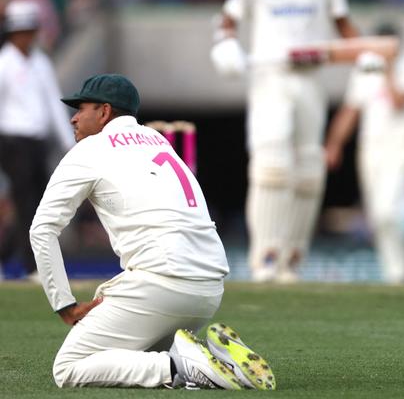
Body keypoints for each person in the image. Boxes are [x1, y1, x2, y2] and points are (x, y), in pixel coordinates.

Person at [29, 74, 275, 389]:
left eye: (82, 108)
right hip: (209, 291)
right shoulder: (159, 141)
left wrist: (63, 302)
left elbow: (42, 229)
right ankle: (216, 363)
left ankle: (180, 365)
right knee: (124, 351)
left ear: (104, 112)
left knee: (68, 368)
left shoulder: (88, 150)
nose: (74, 117)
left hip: (160, 285)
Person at [210, 0, 358, 282]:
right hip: (269, 79)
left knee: (309, 169)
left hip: (309, 80)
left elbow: (344, 26)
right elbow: (228, 19)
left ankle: (293, 258)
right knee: (271, 166)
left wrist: (365, 55)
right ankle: (266, 258)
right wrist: (225, 43)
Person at [325, 22, 404, 283]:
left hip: (402, 147)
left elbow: (398, 101)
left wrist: (389, 67)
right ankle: (390, 274)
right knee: (376, 215)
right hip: (371, 149)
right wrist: (334, 144)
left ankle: (400, 273)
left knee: (388, 210)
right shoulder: (365, 67)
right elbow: (351, 108)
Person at [0, 0, 74, 280]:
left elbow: (55, 105)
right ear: (13, 33)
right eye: (23, 31)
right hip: (12, 141)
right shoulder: (4, 63)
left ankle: (15, 258)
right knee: (25, 202)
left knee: (41, 204)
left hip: (37, 143)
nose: (28, 36)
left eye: (31, 30)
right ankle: (33, 267)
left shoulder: (41, 61)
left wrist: (68, 142)